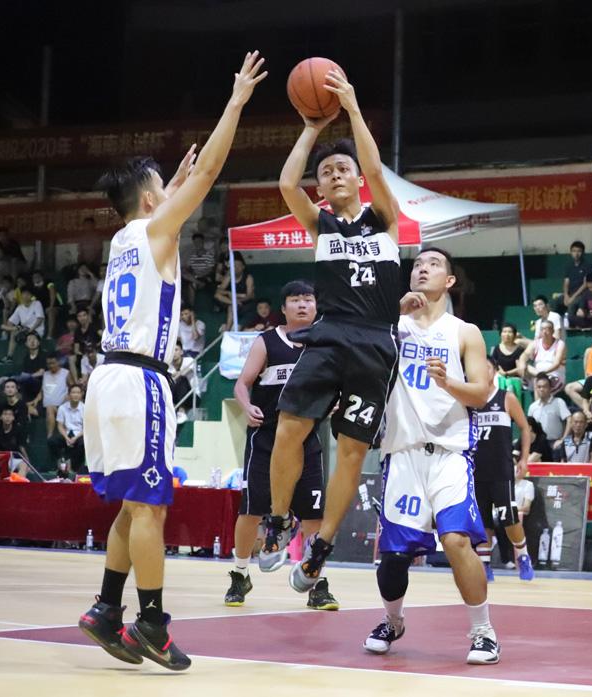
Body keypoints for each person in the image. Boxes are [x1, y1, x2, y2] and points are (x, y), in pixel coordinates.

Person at [77, 50, 266, 672]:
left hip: (105, 378)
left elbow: (178, 192)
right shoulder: (157, 231)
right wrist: (235, 102)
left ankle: (107, 608)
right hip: (139, 380)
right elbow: (209, 175)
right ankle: (151, 622)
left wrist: (171, 183)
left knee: (135, 507)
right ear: (153, 196)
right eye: (165, 185)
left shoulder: (122, 238)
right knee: (151, 507)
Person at [264, 66, 405, 590]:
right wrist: (309, 128)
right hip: (330, 332)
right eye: (327, 172)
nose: (336, 175)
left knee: (351, 450)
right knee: (291, 427)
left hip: (376, 340)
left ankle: (321, 548)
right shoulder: (319, 223)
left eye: (343, 168)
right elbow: (284, 183)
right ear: (321, 187)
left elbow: (372, 163)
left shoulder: (383, 217)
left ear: (358, 178)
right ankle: (280, 521)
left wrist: (350, 110)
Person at [361, 247, 498, 664]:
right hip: (402, 452)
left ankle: (483, 632)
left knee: (457, 541)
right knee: (395, 556)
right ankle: (393, 619)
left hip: (450, 453)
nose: (422, 269)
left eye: (433, 264)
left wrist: (448, 383)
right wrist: (390, 315)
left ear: (450, 281)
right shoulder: (391, 326)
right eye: (418, 265)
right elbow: (360, 353)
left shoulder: (464, 332)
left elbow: (482, 393)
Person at [224, 281, 338, 610]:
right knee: (250, 510)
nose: (303, 305)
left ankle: (318, 582)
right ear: (284, 307)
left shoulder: (325, 344)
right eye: (295, 300)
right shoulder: (267, 341)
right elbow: (242, 384)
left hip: (306, 439)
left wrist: (335, 401)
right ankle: (240, 573)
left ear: (316, 306)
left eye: (308, 299)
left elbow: (337, 386)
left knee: (314, 516)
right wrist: (246, 407)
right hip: (266, 437)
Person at [472, 357, 536, 582]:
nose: (483, 370)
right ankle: (485, 564)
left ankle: (524, 556)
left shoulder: (505, 398)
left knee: (509, 518)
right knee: (482, 521)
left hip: (501, 469)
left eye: (487, 367)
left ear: (495, 371)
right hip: (476, 469)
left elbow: (525, 429)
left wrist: (524, 459)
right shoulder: (470, 401)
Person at [517, 320, 566, 394]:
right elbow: (524, 355)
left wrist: (543, 373)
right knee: (521, 363)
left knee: (540, 382)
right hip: (537, 374)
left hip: (554, 376)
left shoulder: (560, 344)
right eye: (542, 329)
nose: (545, 332)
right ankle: (540, 377)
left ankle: (540, 377)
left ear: (553, 331)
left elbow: (556, 364)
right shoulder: (535, 343)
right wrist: (522, 364)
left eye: (547, 329)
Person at [0, 286, 44, 362]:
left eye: (28, 294)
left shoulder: (37, 303)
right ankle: (9, 357)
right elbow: (10, 322)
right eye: (23, 294)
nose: (25, 296)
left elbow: (39, 320)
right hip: (24, 330)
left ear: (31, 296)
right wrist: (13, 328)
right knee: (11, 330)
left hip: (36, 331)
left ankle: (33, 358)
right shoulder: (20, 307)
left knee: (23, 334)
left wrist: (30, 330)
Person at [49, 384, 86, 473]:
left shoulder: (85, 408)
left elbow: (86, 428)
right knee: (52, 441)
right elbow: (60, 426)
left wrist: (75, 438)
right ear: (69, 395)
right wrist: (66, 437)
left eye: (78, 392)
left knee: (82, 443)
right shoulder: (62, 408)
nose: (76, 395)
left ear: (81, 395)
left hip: (79, 434)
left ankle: (74, 468)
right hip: (66, 433)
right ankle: (60, 463)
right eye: (73, 392)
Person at [214, 253, 255, 331]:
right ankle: (233, 303)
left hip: (244, 302)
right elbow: (219, 291)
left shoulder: (248, 277)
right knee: (218, 296)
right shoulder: (229, 276)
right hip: (232, 300)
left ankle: (228, 329)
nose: (236, 268)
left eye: (238, 265)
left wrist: (238, 299)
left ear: (243, 267)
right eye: (234, 265)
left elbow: (250, 295)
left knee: (231, 307)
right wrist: (228, 294)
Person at [526, 374, 570, 442]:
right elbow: (528, 426)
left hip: (554, 442)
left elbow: (569, 420)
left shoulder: (558, 402)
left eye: (544, 387)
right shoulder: (532, 406)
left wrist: (563, 439)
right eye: (539, 387)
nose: (541, 389)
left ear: (550, 388)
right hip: (538, 444)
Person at [489, 323, 525, 402]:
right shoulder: (496, 349)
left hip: (515, 379)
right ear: (500, 334)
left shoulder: (519, 350)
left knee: (510, 385)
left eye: (510, 332)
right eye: (504, 332)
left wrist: (507, 373)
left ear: (514, 335)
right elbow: (493, 365)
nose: (507, 334)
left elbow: (520, 369)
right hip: (499, 378)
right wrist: (500, 372)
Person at [41, 354, 73, 438]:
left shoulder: (65, 373)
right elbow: (42, 389)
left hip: (62, 404)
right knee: (49, 408)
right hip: (47, 405)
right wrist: (35, 400)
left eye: (53, 363)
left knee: (50, 408)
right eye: (49, 364)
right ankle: (50, 436)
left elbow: (72, 388)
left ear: (58, 362)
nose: (51, 365)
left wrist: (68, 397)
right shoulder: (45, 374)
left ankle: (51, 435)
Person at [560, 240, 592, 317]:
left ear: (583, 252)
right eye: (574, 251)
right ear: (571, 252)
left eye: (579, 251)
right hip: (569, 294)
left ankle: (570, 325)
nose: (576, 253)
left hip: (582, 294)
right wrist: (566, 295)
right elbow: (566, 282)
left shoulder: (588, 266)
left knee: (572, 304)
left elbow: (585, 284)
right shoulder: (568, 266)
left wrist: (572, 297)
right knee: (554, 302)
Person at [182, 232, 215, 305]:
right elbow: (189, 268)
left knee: (192, 284)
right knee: (183, 274)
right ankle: (199, 283)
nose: (197, 244)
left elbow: (210, 270)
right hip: (194, 276)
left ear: (202, 242)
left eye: (199, 242)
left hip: (204, 277)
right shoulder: (192, 256)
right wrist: (186, 269)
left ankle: (191, 308)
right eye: (195, 242)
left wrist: (199, 275)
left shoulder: (209, 255)